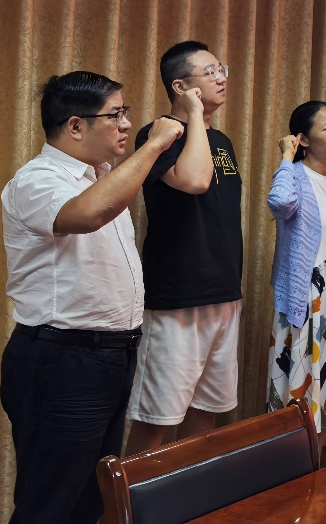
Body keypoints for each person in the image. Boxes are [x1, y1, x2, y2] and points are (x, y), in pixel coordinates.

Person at [0, 71, 184, 523]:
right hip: (62, 360)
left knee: (90, 499)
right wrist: (153, 146)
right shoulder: (37, 179)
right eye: (115, 114)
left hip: (109, 357)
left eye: (125, 113)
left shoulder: (102, 176)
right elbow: (87, 214)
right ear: (75, 125)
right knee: (49, 503)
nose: (126, 124)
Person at [126, 41, 243, 454]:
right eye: (210, 72)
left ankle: (191, 491)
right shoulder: (156, 134)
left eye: (221, 69)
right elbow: (194, 181)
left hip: (224, 294)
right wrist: (193, 115)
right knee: (155, 419)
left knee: (205, 412)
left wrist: (200, 122)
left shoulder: (222, 140)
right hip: (177, 297)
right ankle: (130, 496)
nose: (222, 78)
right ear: (180, 86)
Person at [266, 100, 326, 436]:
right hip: (305, 296)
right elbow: (280, 204)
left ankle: (318, 461)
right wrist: (286, 157)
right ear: (303, 139)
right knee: (300, 393)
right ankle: (293, 461)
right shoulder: (293, 175)